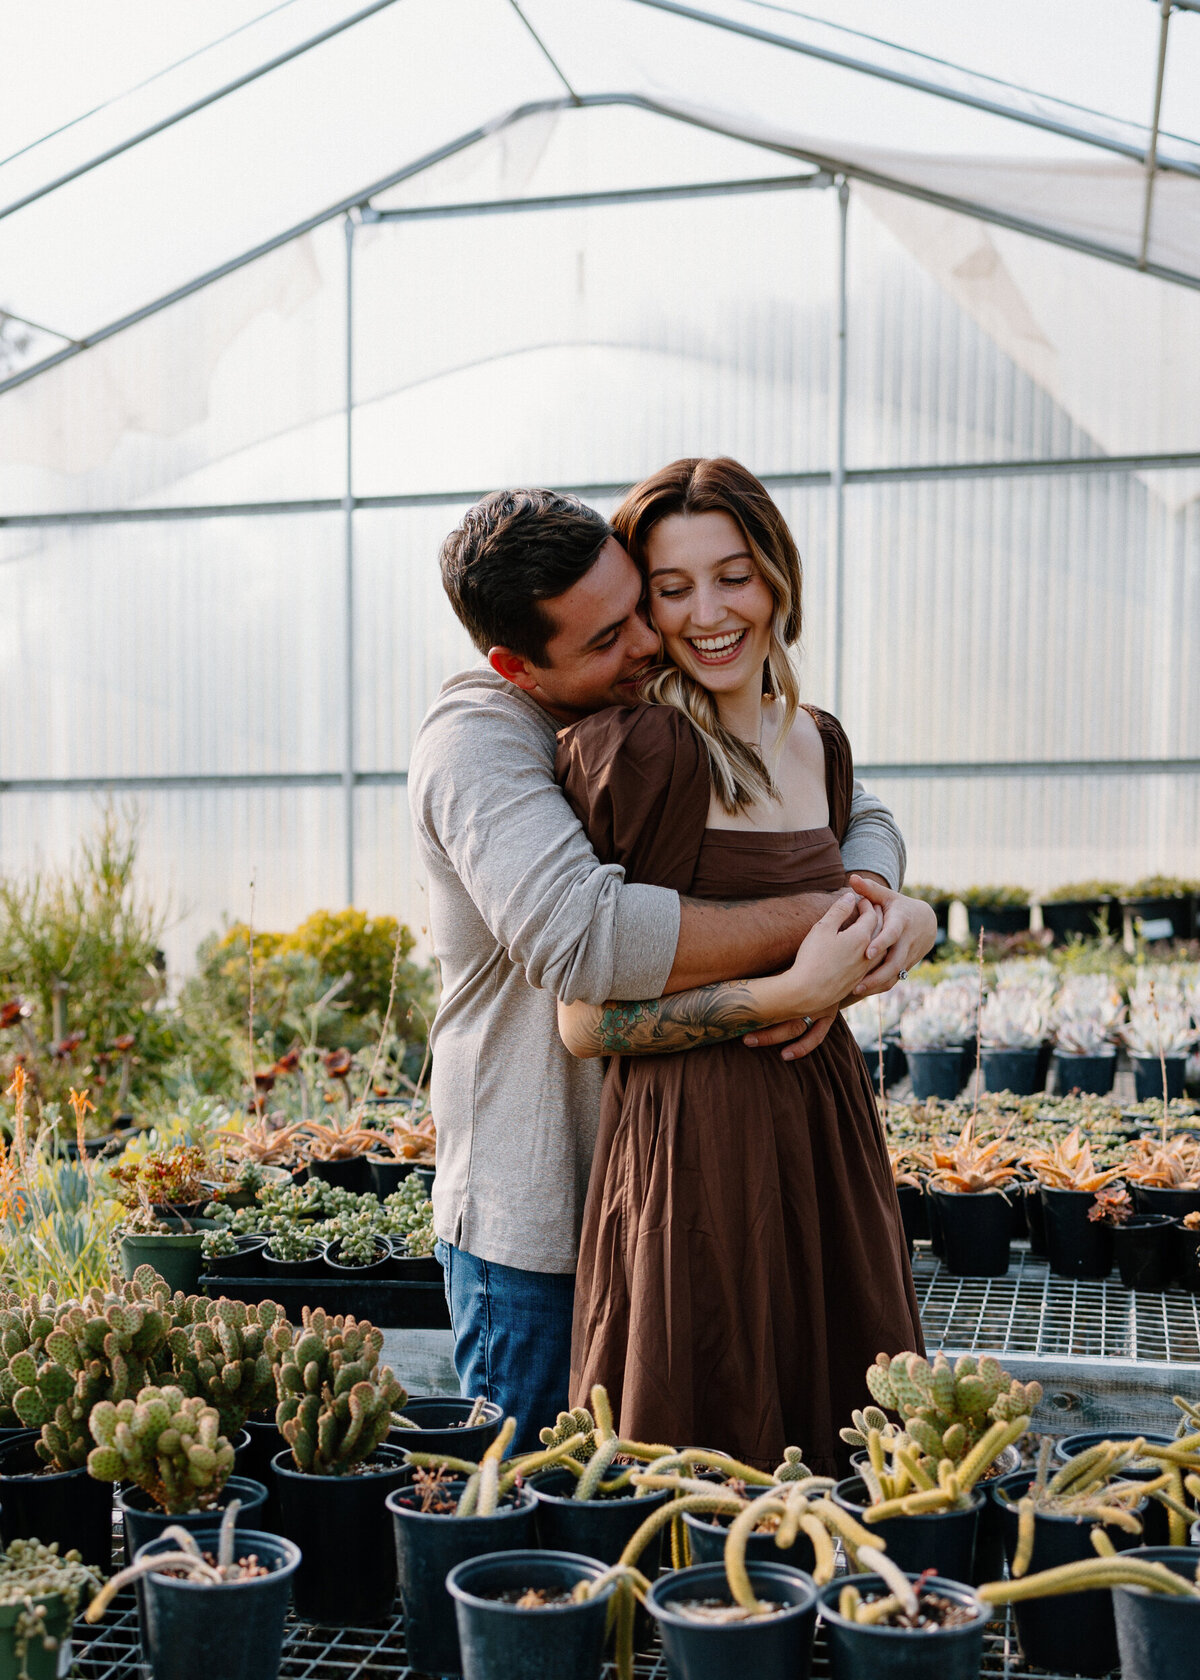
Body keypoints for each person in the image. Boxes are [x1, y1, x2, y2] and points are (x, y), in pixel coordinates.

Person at [409, 487, 934, 1450]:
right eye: (613, 635)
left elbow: (836, 797)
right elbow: (589, 940)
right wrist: (818, 930)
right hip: (542, 1210)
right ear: (516, 666)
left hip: (681, 1187)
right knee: (540, 1505)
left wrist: (882, 886)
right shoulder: (481, 744)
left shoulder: (644, 695)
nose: (655, 641)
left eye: (641, 607)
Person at [555, 457, 928, 1473]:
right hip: (692, 1147)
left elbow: (861, 882)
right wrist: (789, 991)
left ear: (778, 578)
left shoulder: (822, 744)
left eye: (735, 576)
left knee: (845, 1426)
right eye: (672, 590)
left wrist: (903, 916)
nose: (709, 613)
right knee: (706, 1444)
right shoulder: (646, 753)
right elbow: (585, 1024)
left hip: (825, 1129)